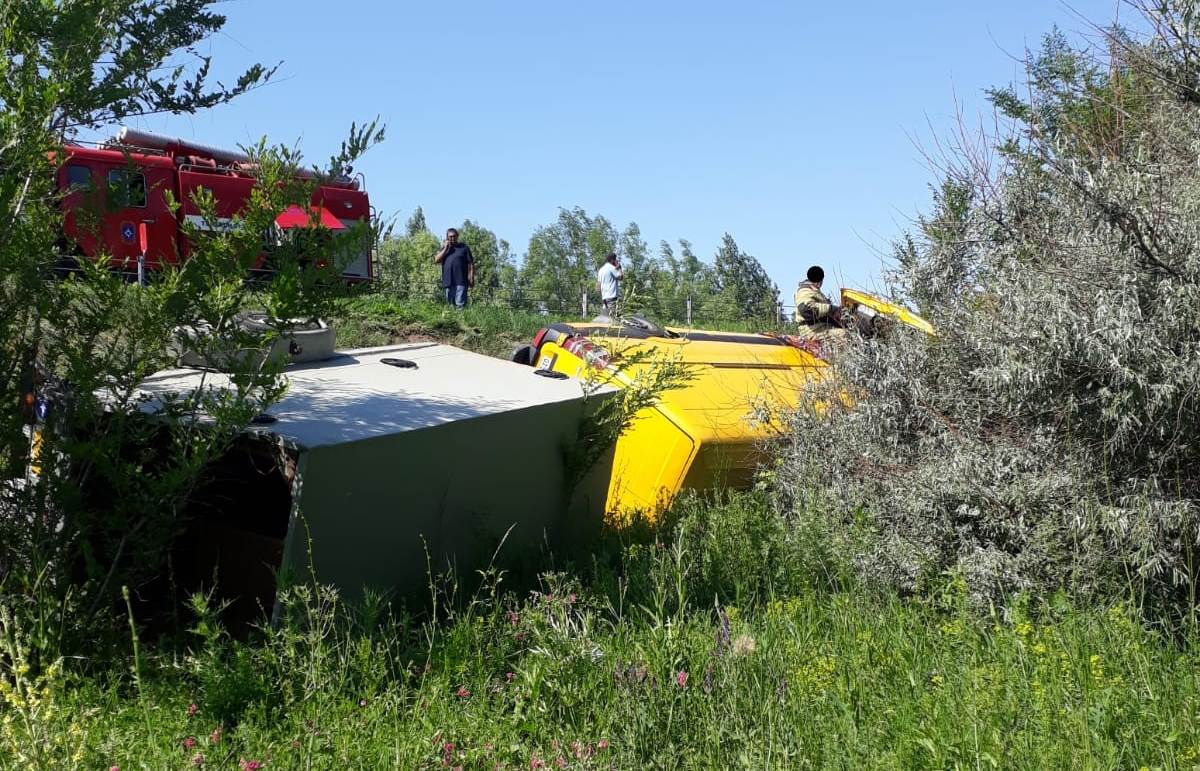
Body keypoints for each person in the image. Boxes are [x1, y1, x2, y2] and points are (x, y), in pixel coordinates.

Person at [794, 265, 847, 342]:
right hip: (812, 330)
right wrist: (831, 309)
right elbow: (806, 310)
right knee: (844, 335)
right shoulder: (805, 291)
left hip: (821, 327)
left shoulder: (816, 292)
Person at [433, 228, 474, 309]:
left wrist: (471, 277)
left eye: (454, 236)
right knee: (450, 306)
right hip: (448, 281)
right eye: (450, 237)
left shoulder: (464, 248)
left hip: (461, 281)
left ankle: (461, 317)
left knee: (460, 304)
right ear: (447, 237)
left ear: (457, 236)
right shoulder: (444, 249)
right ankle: (453, 317)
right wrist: (445, 248)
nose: (452, 238)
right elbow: (436, 260)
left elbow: (471, 263)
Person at [596, 252, 623, 317]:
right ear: (612, 260)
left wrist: (601, 296)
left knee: (605, 317)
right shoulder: (611, 268)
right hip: (612, 297)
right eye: (615, 259)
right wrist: (619, 268)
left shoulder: (601, 270)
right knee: (613, 318)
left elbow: (598, 286)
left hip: (604, 298)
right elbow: (621, 277)